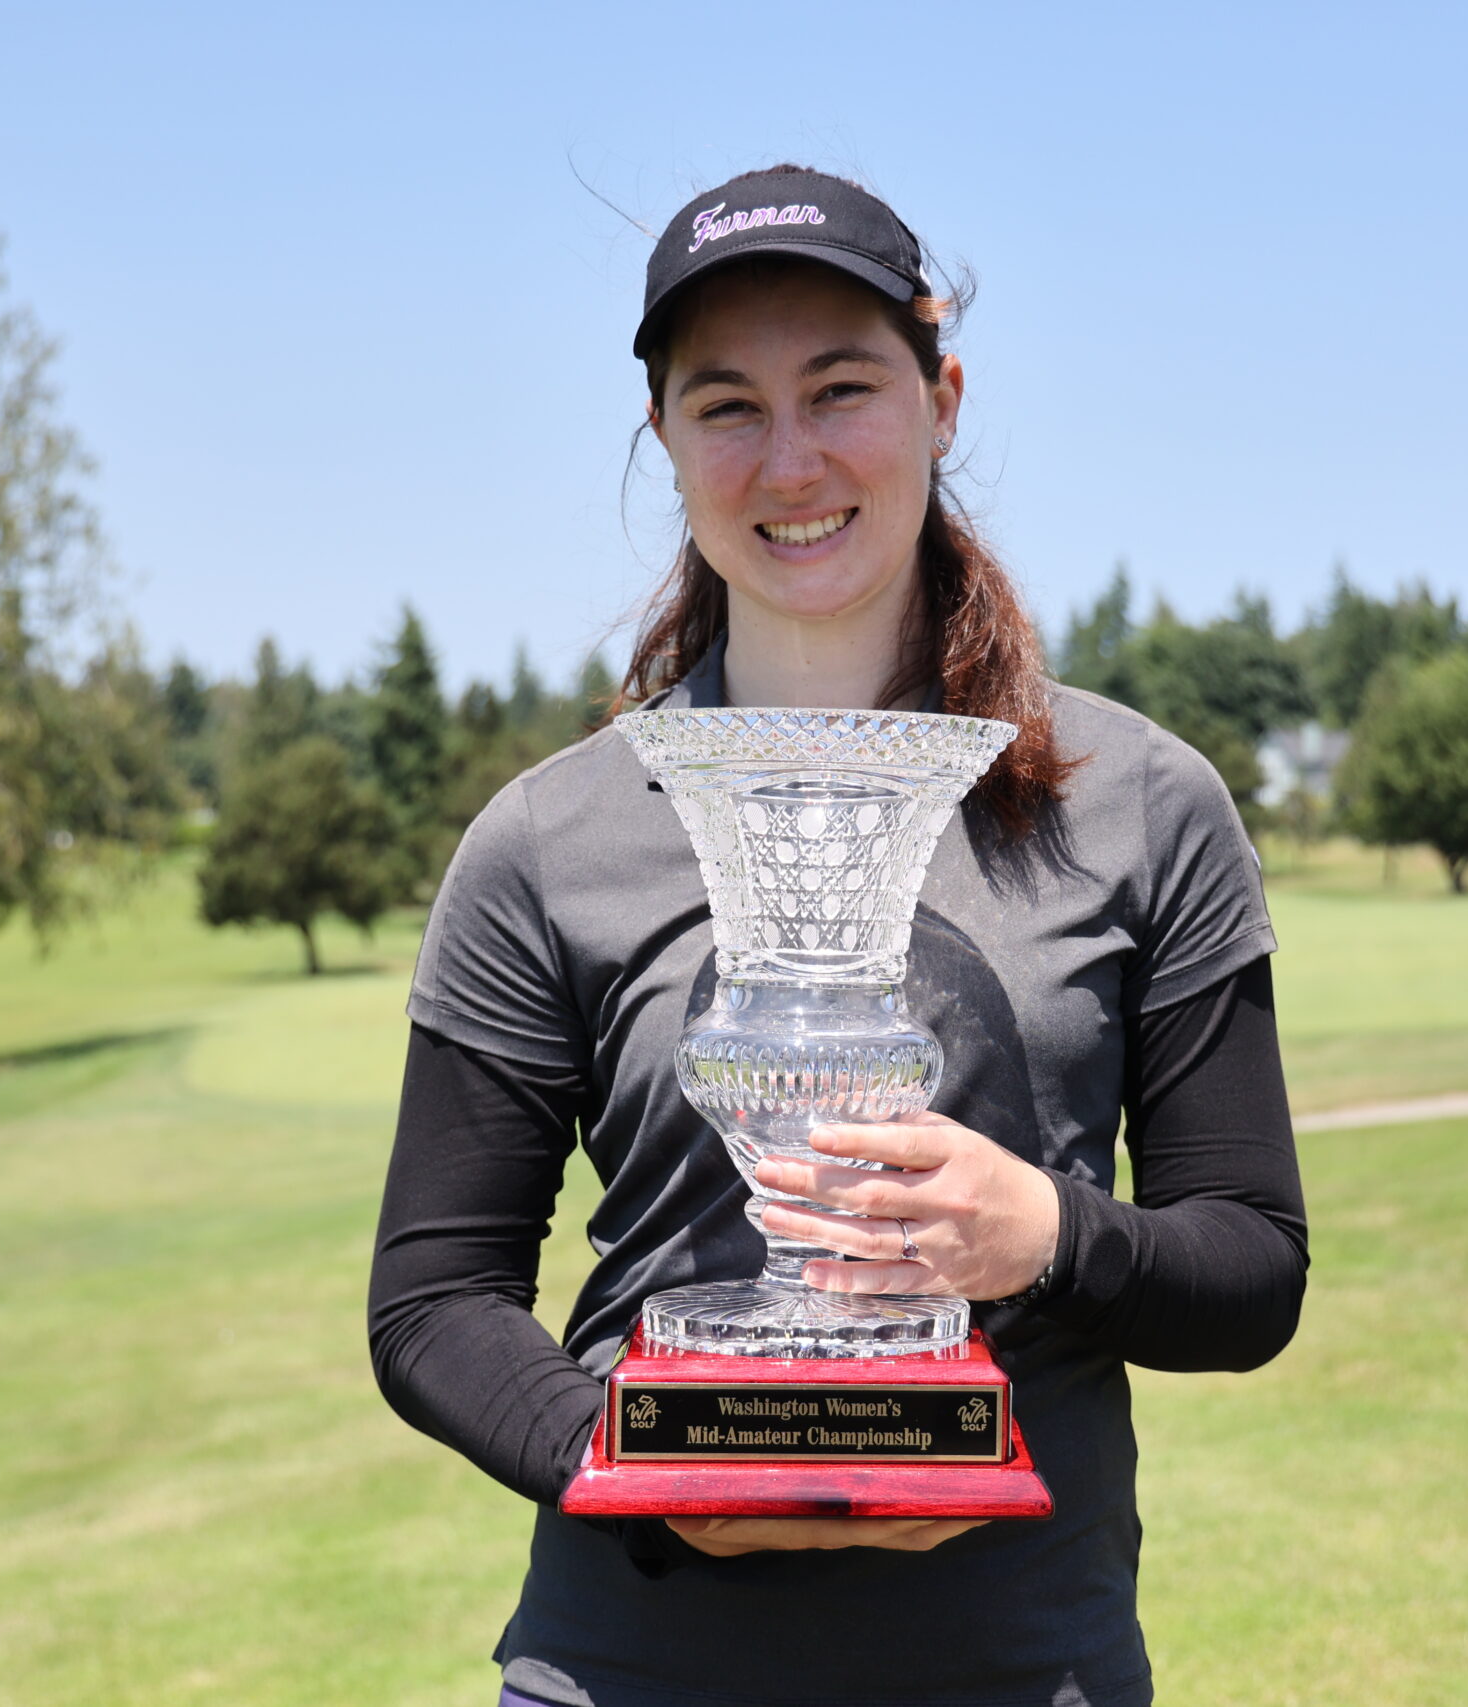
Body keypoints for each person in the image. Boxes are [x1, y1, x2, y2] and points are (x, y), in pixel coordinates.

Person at [369, 165, 1308, 1707]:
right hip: (625, 1668)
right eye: (726, 403)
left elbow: (1250, 1270)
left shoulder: (1146, 803)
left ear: (942, 398)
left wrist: (1048, 1234)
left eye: (843, 387)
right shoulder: (548, 840)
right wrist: (633, 1474)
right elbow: (433, 1305)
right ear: (663, 441)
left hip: (1024, 1668)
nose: (790, 457)